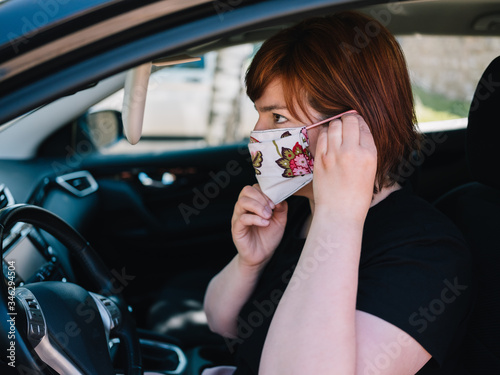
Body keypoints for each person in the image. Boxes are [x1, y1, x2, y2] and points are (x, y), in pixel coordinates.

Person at [203, 11, 473, 375]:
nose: (256, 134)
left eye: (277, 118)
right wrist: (250, 262)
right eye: (259, 115)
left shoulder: (425, 253)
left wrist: (338, 216)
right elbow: (222, 324)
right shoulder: (296, 208)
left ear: (349, 126)